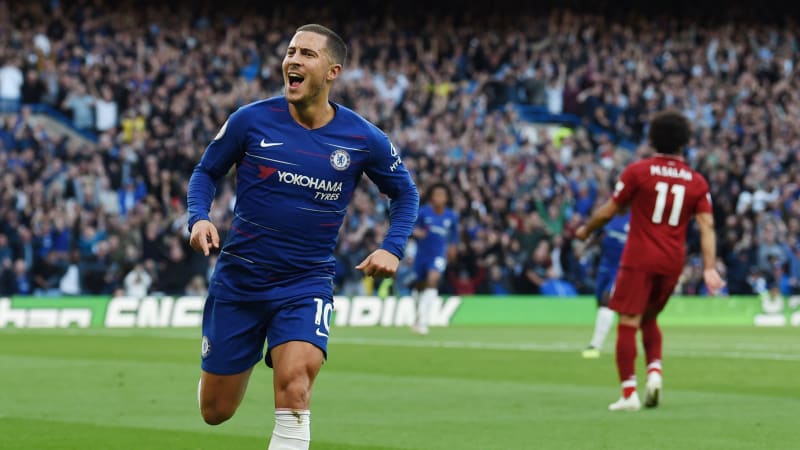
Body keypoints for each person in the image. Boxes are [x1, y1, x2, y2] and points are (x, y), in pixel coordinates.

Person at [186, 24, 419, 449]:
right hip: (240, 280)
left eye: (307, 54)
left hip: (304, 283)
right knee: (215, 412)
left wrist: (392, 247)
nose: (293, 60)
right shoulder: (250, 120)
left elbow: (405, 193)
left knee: (295, 387)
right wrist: (199, 218)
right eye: (291, 51)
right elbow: (206, 171)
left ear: (332, 72)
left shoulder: (362, 138)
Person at [575, 109, 724, 411]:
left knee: (628, 321)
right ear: (685, 143)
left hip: (639, 257)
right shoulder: (697, 182)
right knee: (650, 318)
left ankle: (629, 393)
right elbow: (706, 226)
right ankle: (654, 372)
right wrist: (709, 267)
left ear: (652, 139)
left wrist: (585, 230)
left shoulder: (638, 172)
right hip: (672, 261)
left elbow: (609, 210)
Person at [410, 182, 458, 335]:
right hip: (422, 254)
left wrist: (452, 249)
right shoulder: (423, 212)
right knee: (419, 286)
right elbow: (412, 227)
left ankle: (423, 322)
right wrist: (417, 233)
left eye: (442, 195)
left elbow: (454, 237)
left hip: (438, 255)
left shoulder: (451, 216)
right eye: (437, 194)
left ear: (446, 198)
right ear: (432, 197)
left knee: (432, 280)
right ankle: (417, 317)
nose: (439, 198)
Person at [581, 211, 630, 359]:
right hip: (605, 267)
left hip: (622, 268)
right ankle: (625, 337)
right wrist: (586, 246)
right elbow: (598, 233)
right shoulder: (610, 214)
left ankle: (595, 345)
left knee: (607, 300)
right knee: (601, 304)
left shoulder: (636, 218)